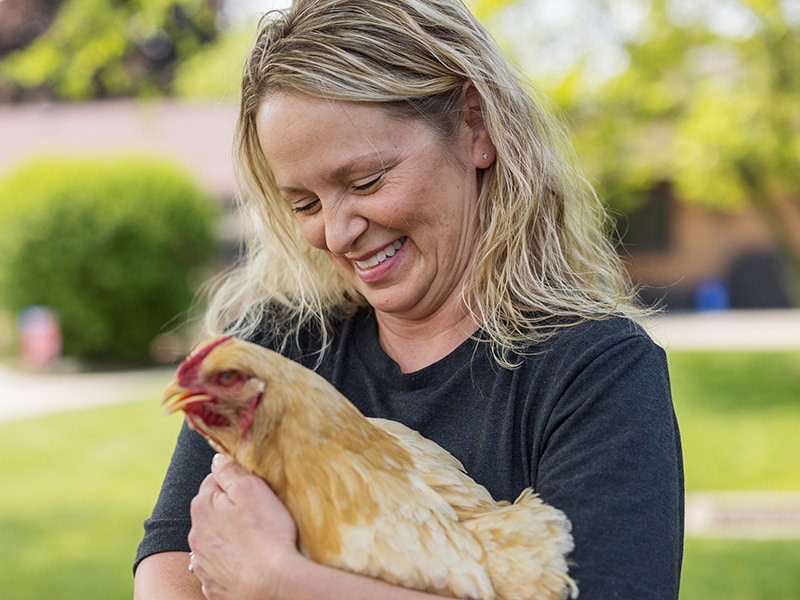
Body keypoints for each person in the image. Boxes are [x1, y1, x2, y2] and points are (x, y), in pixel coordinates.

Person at [133, 0, 684, 598]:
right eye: (305, 204)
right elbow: (170, 574)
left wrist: (279, 580)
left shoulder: (594, 372)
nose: (338, 233)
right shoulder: (276, 350)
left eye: (365, 181)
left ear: (476, 127)